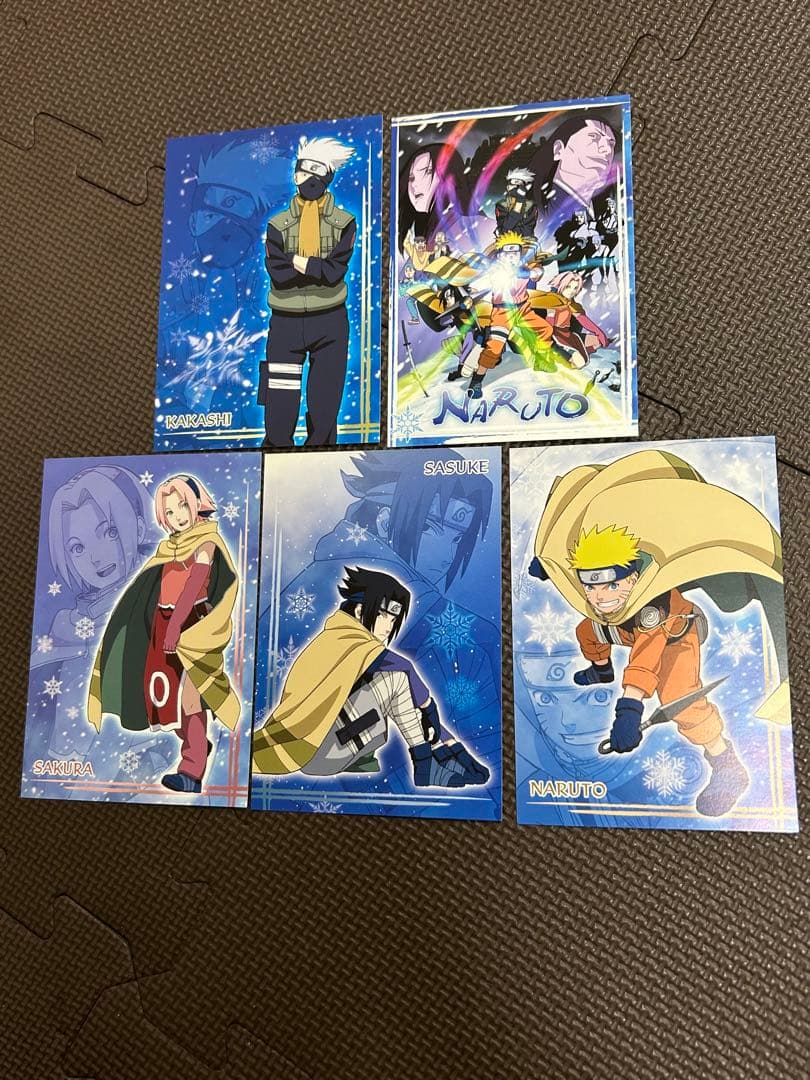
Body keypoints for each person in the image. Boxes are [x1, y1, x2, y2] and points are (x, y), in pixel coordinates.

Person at [528, 449, 789, 817]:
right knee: (587, 631)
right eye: (591, 586)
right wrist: (553, 566)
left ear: (633, 578)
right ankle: (602, 670)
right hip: (625, 628)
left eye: (611, 585)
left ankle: (727, 764)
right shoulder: (603, 599)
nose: (600, 596)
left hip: (673, 638)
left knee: (682, 699)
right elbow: (589, 584)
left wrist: (629, 711)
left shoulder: (654, 609)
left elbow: (644, 663)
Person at [253, 567, 489, 787]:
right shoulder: (346, 641)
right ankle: (425, 765)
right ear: (359, 611)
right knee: (396, 681)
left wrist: (450, 744)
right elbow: (404, 669)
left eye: (395, 620)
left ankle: (432, 759)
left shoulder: (343, 642)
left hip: (326, 747)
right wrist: (428, 706)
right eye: (385, 615)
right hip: (317, 753)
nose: (390, 626)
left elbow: (405, 699)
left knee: (395, 685)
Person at [88, 475, 240, 794]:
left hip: (193, 629)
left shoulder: (206, 542)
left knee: (191, 698)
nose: (177, 516)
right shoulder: (168, 547)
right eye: (169, 512)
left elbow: (193, 588)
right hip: (162, 623)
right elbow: (151, 590)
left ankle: (192, 771)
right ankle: (197, 747)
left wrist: (175, 627)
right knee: (167, 700)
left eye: (182, 506)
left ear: (196, 503)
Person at [260, 135, 356, 447]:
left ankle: (321, 457)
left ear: (328, 176)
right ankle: (275, 457)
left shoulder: (345, 222)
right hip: (285, 322)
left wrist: (296, 261)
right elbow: (279, 275)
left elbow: (334, 273)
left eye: (317, 172)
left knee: (326, 402)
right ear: (296, 175)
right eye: (303, 172)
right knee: (279, 399)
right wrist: (315, 267)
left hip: (330, 320)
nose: (308, 179)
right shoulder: (277, 224)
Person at [494, 168, 538, 238]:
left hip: (526, 241)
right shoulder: (501, 205)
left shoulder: (531, 205)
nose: (516, 187)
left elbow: (527, 231)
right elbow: (506, 227)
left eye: (519, 184)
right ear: (508, 187)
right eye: (513, 183)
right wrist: (519, 201)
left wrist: (520, 200)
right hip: (505, 241)